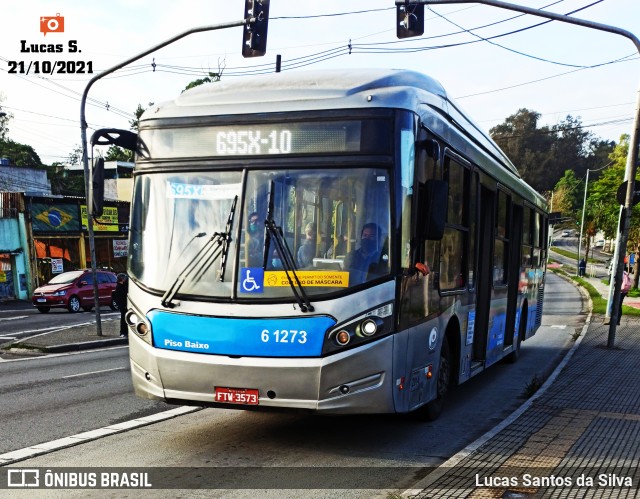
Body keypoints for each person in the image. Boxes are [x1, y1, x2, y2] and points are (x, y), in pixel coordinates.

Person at [113, 273, 129, 337]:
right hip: (123, 305)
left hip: (126, 304)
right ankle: (123, 332)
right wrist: (121, 305)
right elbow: (119, 297)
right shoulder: (119, 287)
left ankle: (126, 331)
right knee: (123, 319)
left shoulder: (124, 285)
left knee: (127, 318)